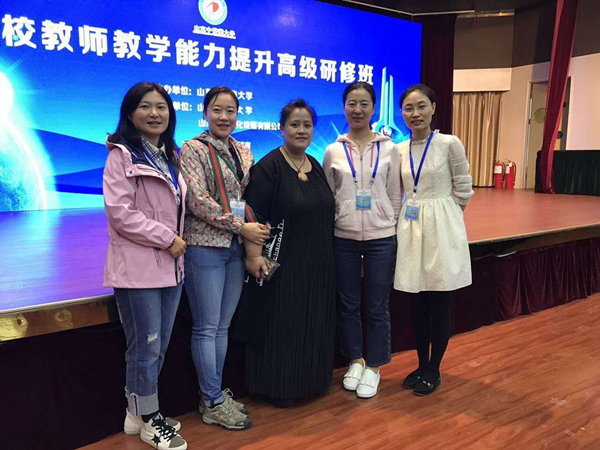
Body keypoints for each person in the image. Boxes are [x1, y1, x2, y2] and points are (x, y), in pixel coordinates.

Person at [179, 86, 270, 430]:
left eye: (230, 110)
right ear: (205, 113)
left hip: (234, 247)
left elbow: (248, 195)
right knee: (206, 327)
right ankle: (213, 400)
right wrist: (240, 226)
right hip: (205, 246)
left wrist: (252, 228)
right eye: (217, 110)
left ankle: (213, 394)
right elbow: (197, 200)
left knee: (221, 327)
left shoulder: (243, 150)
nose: (224, 117)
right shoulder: (192, 149)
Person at [235, 99, 336, 408]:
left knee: (313, 322)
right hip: (282, 265)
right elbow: (253, 214)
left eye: (307, 125)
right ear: (281, 129)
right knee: (283, 325)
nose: (301, 130)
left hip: (317, 262)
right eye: (294, 124)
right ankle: (280, 386)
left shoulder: (314, 165)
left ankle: (313, 380)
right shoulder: (269, 167)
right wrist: (253, 257)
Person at [103, 82, 188, 450]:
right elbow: (121, 214)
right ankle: (151, 419)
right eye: (145, 106)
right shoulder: (121, 157)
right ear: (130, 113)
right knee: (145, 347)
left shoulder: (170, 157)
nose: (155, 113)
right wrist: (167, 238)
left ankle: (137, 413)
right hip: (138, 270)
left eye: (162, 107)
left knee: (158, 345)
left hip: (170, 268)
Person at [323, 82, 401, 399]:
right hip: (344, 237)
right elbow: (329, 195)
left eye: (364, 104)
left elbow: (395, 194)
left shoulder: (389, 148)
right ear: (344, 107)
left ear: (373, 108)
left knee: (377, 305)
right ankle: (355, 360)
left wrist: (391, 225)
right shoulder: (333, 150)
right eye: (352, 104)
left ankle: (375, 366)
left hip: (381, 237)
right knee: (348, 303)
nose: (357, 110)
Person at [394, 84, 474, 396]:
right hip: (411, 227)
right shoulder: (399, 149)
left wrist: (448, 216)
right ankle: (421, 363)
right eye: (408, 108)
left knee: (439, 302)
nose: (415, 113)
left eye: (421, 106)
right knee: (416, 304)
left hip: (441, 227)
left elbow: (463, 186)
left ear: (433, 108)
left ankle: (434, 368)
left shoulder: (448, 143)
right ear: (402, 113)